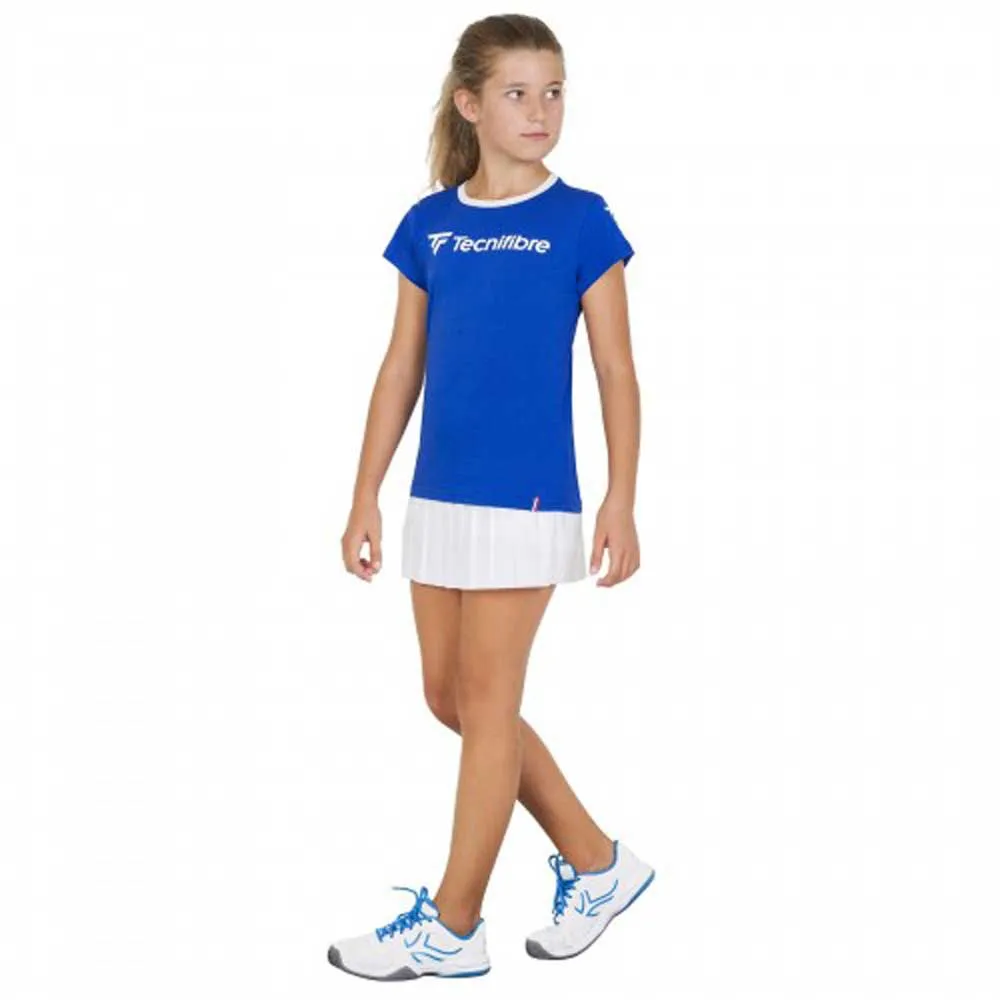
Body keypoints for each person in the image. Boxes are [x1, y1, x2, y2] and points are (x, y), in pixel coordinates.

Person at [329, 13, 654, 981]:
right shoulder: (428, 225)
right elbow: (400, 367)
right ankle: (597, 862)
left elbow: (617, 369)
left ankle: (454, 924)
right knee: (451, 697)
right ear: (470, 104)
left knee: (488, 696)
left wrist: (621, 498)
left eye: (553, 92)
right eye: (517, 93)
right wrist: (364, 494)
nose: (540, 110)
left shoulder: (582, 221)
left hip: (529, 498)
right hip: (438, 496)